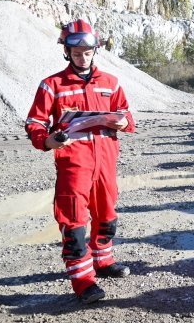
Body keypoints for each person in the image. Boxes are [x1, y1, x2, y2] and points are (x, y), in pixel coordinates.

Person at [25, 19, 135, 304]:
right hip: (74, 163)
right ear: (67, 51)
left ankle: (103, 261)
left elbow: (126, 115)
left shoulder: (111, 82)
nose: (81, 56)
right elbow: (35, 122)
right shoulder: (52, 85)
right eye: (76, 52)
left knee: (107, 216)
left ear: (95, 50)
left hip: (106, 162)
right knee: (73, 223)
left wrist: (123, 123)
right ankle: (83, 281)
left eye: (87, 51)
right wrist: (50, 140)